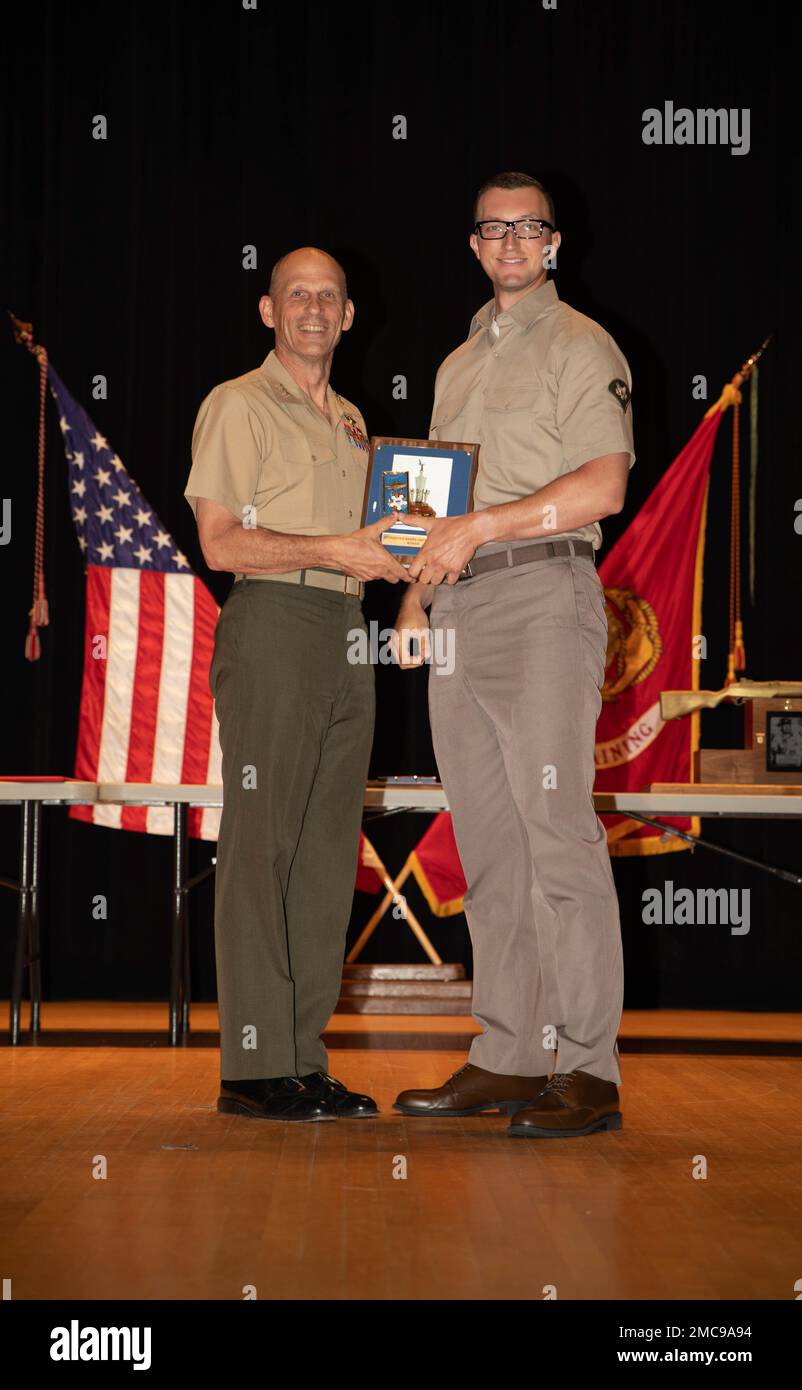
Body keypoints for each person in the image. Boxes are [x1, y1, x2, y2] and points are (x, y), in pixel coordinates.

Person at [392, 172, 635, 1137]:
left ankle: (589, 1068)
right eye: (491, 229)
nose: (508, 243)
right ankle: (506, 1054)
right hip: (461, 608)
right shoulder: (455, 366)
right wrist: (413, 595)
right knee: (488, 845)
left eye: (525, 228)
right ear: (473, 244)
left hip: (543, 594)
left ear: (553, 242)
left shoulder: (583, 343)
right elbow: (432, 510)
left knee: (556, 835)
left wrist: (482, 528)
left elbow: (605, 484)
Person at [185, 246, 408, 1121]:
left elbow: (378, 541)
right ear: (268, 311)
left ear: (349, 315)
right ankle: (252, 1066)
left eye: (328, 296)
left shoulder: (356, 423)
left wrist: (408, 558)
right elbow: (220, 544)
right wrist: (334, 550)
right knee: (262, 846)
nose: (313, 308)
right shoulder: (238, 405)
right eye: (295, 295)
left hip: (346, 632)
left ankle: (299, 1059)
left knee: (323, 857)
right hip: (274, 623)